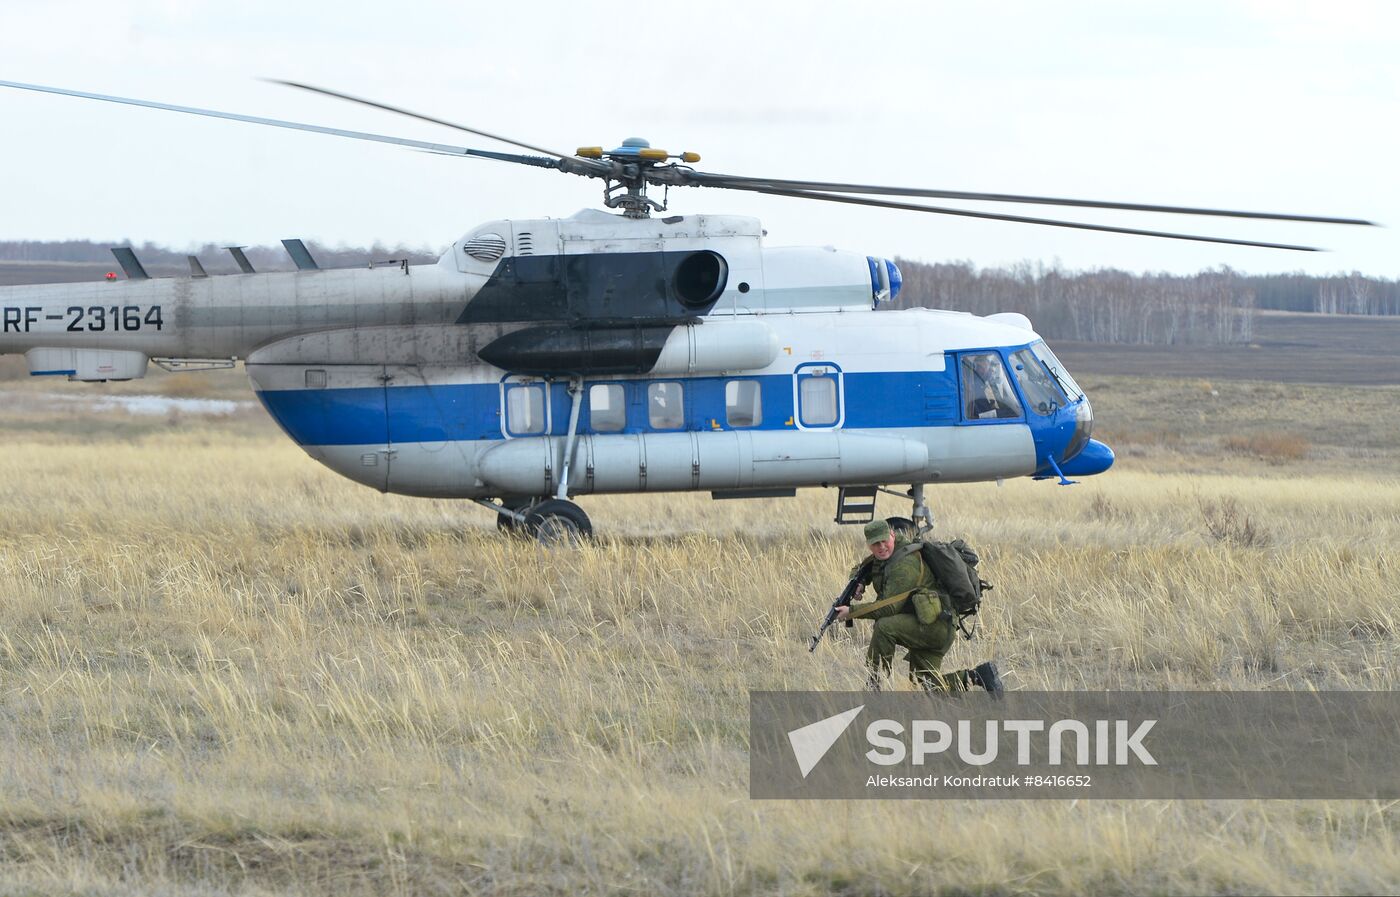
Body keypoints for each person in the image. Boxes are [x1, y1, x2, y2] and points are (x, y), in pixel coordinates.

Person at [836, 519, 1003, 696]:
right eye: (876, 544)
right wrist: (859, 581)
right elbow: (864, 567)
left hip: (936, 626)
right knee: (926, 687)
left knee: (884, 627)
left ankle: (874, 686)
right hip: (927, 621)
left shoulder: (905, 565)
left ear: (892, 535)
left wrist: (851, 612)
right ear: (869, 545)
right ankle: (978, 676)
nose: (882, 547)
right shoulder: (887, 554)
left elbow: (888, 608)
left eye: (884, 541)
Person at [965, 354, 1021, 419]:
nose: (991, 370)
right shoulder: (976, 382)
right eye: (986, 367)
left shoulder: (978, 380)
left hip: (982, 410)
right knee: (1012, 412)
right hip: (979, 415)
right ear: (979, 368)